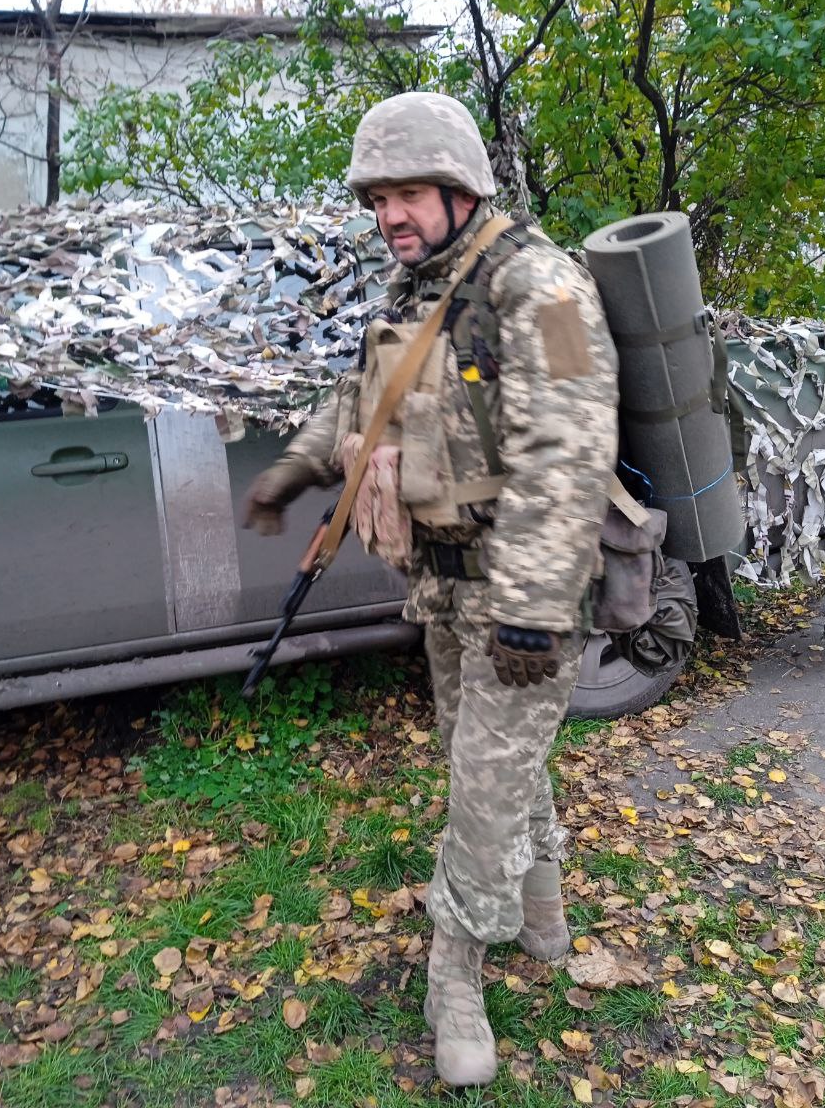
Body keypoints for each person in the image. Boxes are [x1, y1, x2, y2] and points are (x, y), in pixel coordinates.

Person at [242, 92, 619, 1087]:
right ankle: (543, 908)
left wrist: (533, 607)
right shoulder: (416, 291)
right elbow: (361, 398)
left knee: (483, 789)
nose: (389, 216)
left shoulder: (545, 289)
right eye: (377, 199)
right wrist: (296, 468)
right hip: (444, 591)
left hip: (523, 597)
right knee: (488, 763)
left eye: (406, 193)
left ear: (459, 188)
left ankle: (454, 974)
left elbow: (571, 448)